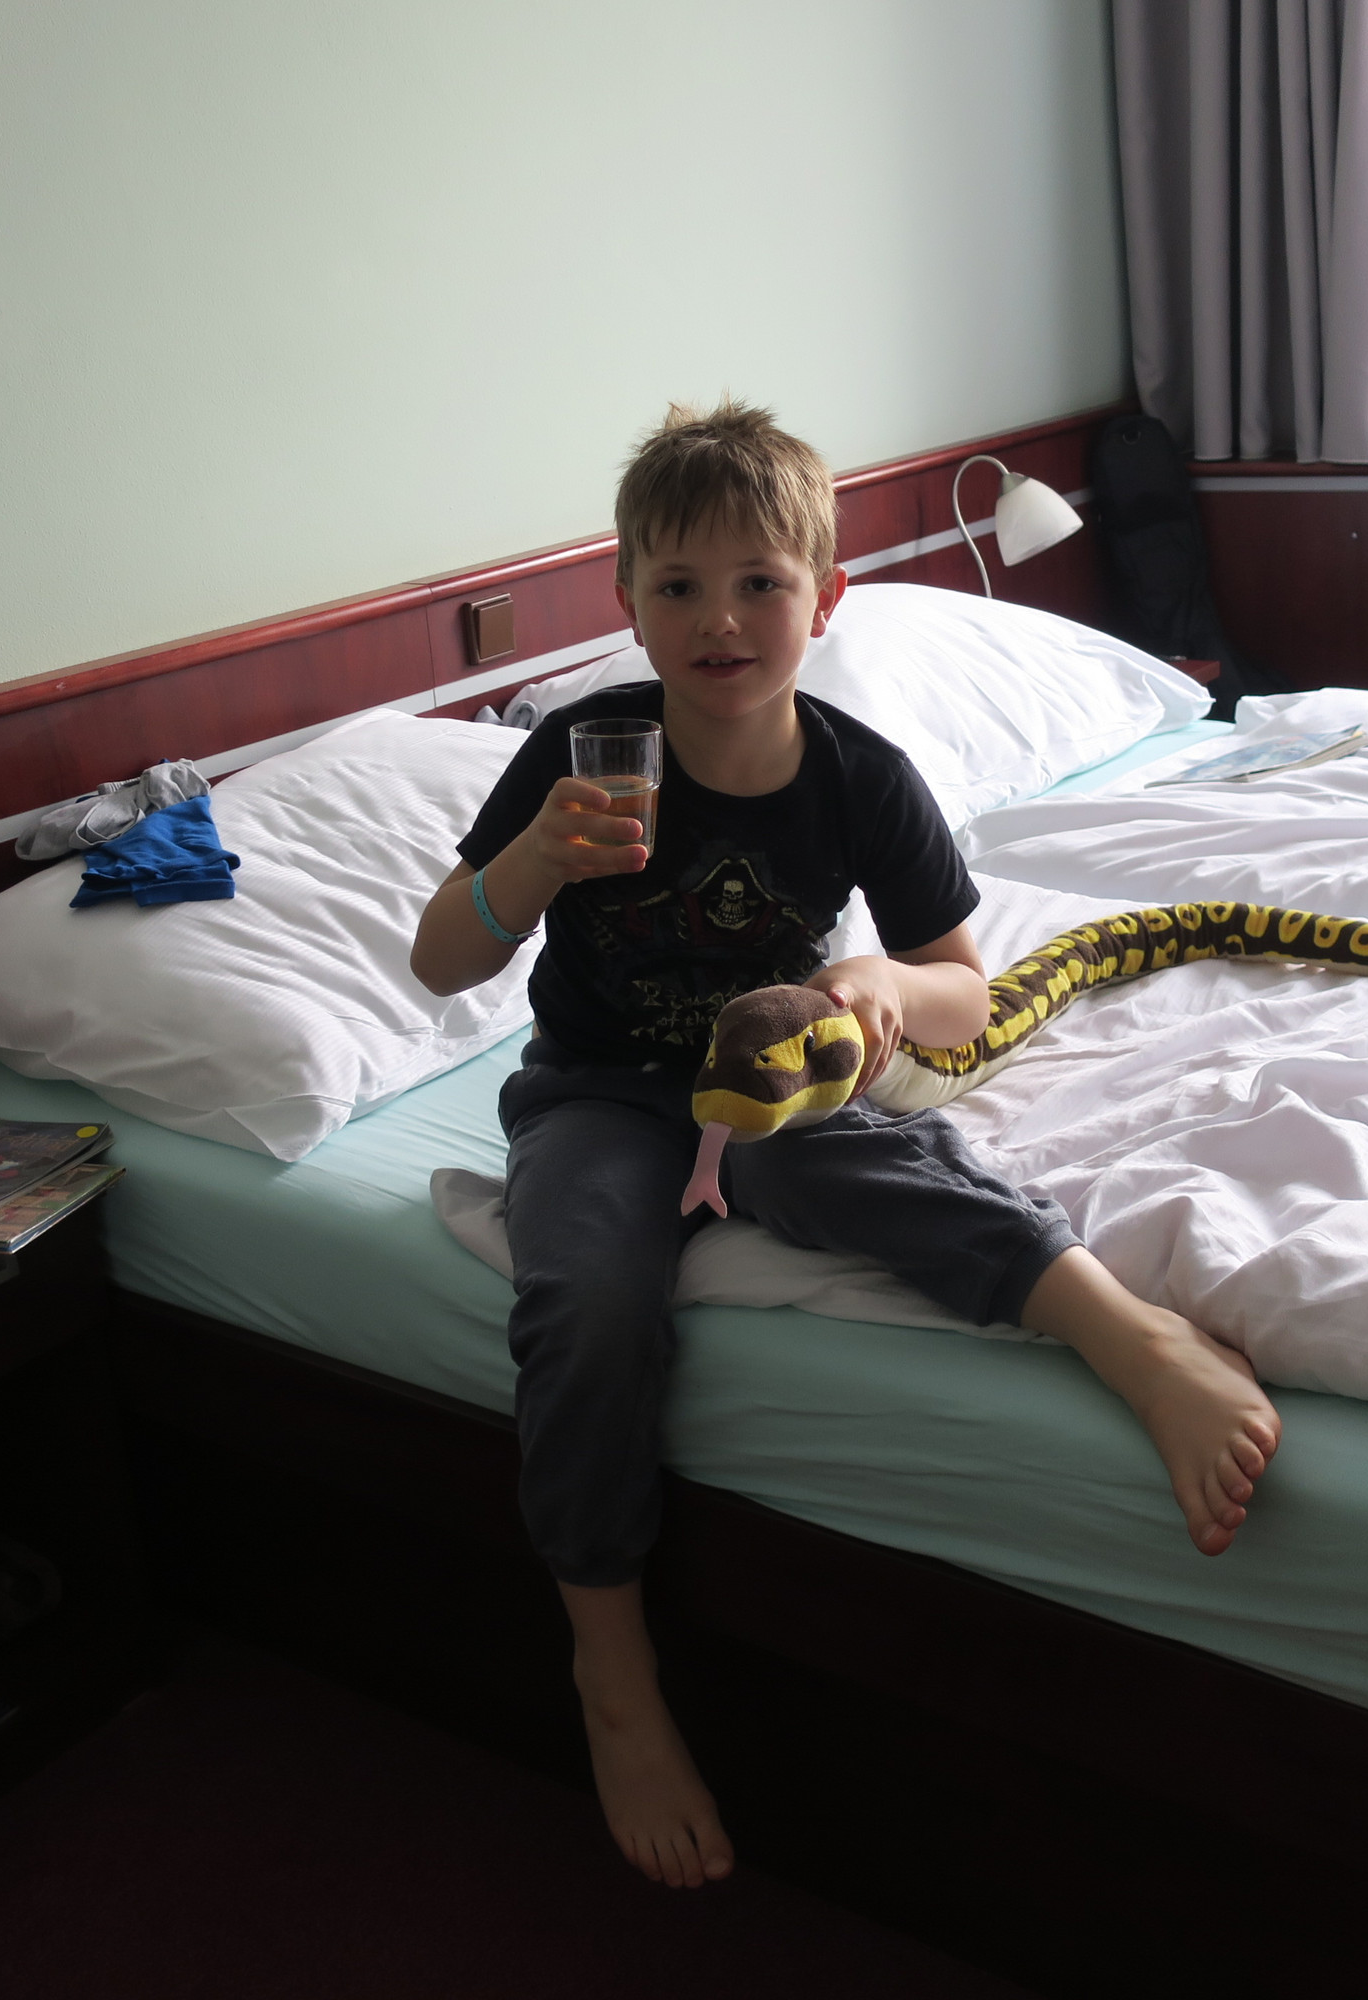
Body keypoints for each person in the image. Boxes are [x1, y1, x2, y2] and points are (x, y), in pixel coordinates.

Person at [408, 401, 1280, 1891]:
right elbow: (441, 965)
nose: (720, 619)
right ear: (628, 603)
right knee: (584, 1301)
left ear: (824, 600)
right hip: (597, 1092)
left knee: (870, 1167)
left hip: (769, 1078)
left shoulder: (858, 773)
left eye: (760, 582)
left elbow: (965, 992)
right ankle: (612, 1672)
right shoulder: (575, 754)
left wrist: (878, 983)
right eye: (679, 585)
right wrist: (533, 859)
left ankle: (1128, 1336)